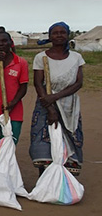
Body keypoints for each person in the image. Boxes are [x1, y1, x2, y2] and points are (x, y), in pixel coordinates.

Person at [29, 22, 85, 176]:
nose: (59, 35)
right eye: (55, 33)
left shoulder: (76, 57)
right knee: (44, 143)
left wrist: (55, 96)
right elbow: (38, 83)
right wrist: (50, 107)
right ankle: (45, 184)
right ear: (50, 36)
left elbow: (78, 83)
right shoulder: (41, 57)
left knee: (70, 142)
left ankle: (66, 185)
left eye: (62, 32)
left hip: (69, 106)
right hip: (45, 103)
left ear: (68, 35)